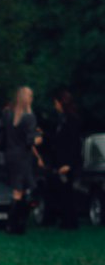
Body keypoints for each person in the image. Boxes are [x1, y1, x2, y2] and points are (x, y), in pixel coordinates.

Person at [0, 86, 41, 234]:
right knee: (22, 191)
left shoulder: (8, 115)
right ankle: (16, 225)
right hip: (23, 157)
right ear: (28, 99)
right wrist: (40, 138)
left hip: (10, 155)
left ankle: (13, 224)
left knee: (17, 190)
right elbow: (30, 141)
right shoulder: (29, 117)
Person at [47, 89, 82, 228]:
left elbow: (74, 143)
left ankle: (70, 222)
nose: (55, 105)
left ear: (61, 103)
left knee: (67, 192)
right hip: (60, 161)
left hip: (67, 162)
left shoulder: (72, 119)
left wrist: (69, 164)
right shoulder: (62, 120)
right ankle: (65, 220)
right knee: (62, 191)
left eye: (56, 102)